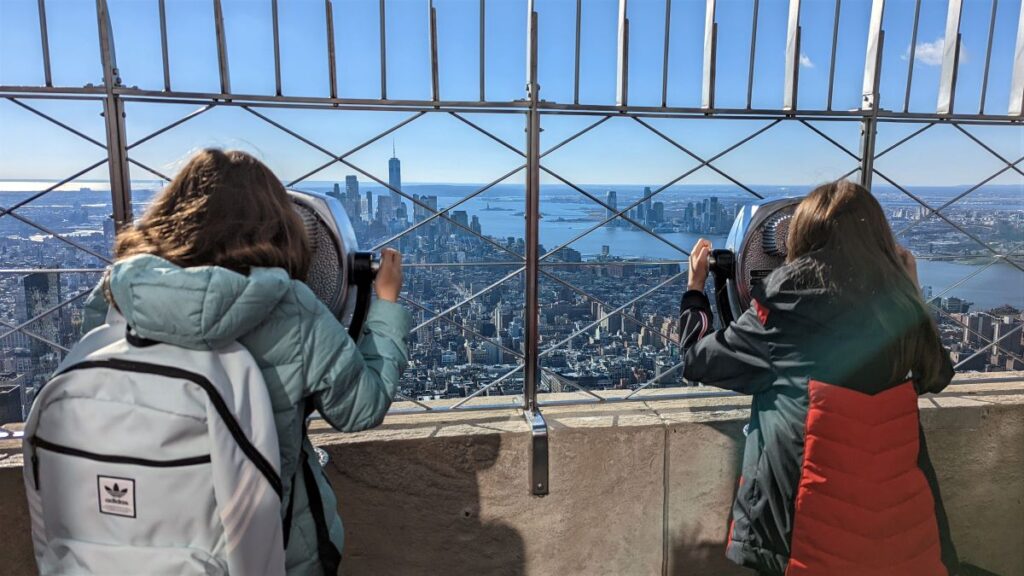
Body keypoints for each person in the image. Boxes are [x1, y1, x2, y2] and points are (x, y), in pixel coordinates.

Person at [81, 148, 410, 576]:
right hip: (267, 550)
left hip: (123, 542)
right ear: (280, 223)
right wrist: (383, 304)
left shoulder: (115, 293)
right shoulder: (288, 305)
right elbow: (360, 408)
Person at [679, 180, 958, 576]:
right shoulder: (899, 309)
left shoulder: (780, 311)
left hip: (805, 538)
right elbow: (938, 374)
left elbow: (696, 359)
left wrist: (696, 288)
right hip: (903, 535)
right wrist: (911, 289)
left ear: (801, 237)